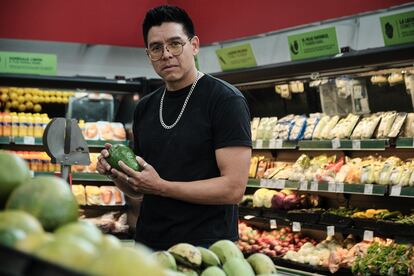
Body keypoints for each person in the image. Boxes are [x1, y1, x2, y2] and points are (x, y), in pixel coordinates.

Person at [96, 5, 252, 250]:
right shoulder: (145, 107)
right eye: (156, 48)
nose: (166, 54)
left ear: (195, 45)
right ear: (149, 54)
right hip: (149, 244)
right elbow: (140, 189)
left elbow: (233, 188)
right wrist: (115, 174)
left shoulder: (224, 100)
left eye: (175, 44)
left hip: (206, 248)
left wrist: (162, 187)